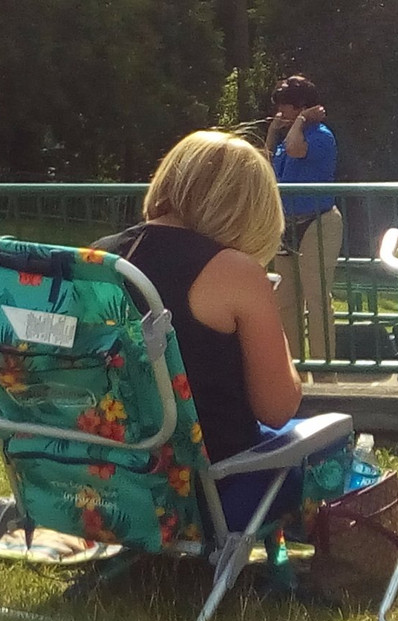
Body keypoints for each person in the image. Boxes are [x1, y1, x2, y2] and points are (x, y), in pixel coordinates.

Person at [93, 130, 303, 529]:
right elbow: (278, 410)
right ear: (249, 207)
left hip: (110, 491)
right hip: (205, 500)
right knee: (325, 445)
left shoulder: (100, 259)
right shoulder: (235, 271)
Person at [265, 75, 343, 362]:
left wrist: (300, 122)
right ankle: (295, 370)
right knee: (286, 303)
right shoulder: (286, 139)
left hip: (318, 221)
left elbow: (297, 150)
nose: (280, 111)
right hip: (287, 225)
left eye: (286, 106)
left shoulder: (321, 135)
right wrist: (272, 132)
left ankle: (325, 373)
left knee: (317, 299)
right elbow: (268, 167)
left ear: (301, 107)